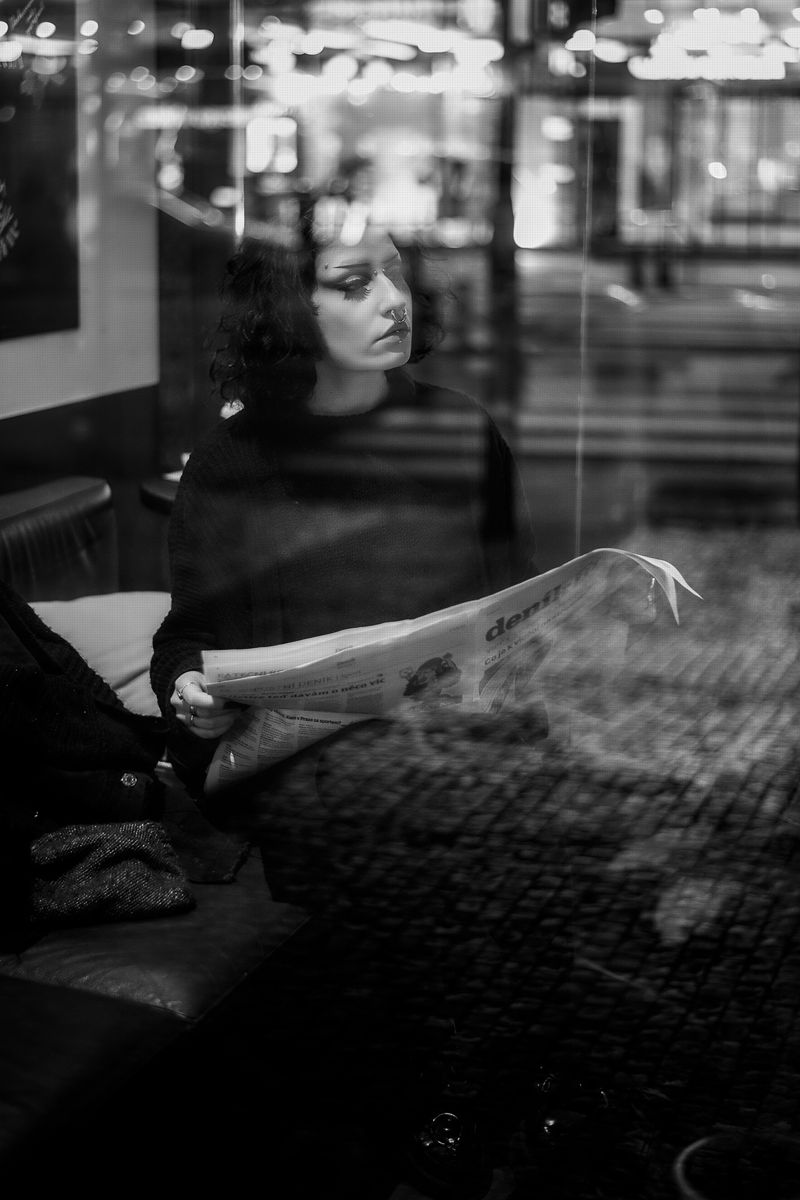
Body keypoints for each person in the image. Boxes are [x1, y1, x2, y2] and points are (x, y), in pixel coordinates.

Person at [149, 207, 544, 1197]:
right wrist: (191, 694)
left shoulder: (461, 430)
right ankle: (431, 1097)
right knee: (403, 844)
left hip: (454, 739)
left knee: (487, 821)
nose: (395, 300)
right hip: (308, 759)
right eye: (356, 282)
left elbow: (515, 603)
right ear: (291, 307)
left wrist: (516, 657)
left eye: (399, 274)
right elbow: (186, 640)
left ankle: (477, 1082)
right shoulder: (233, 464)